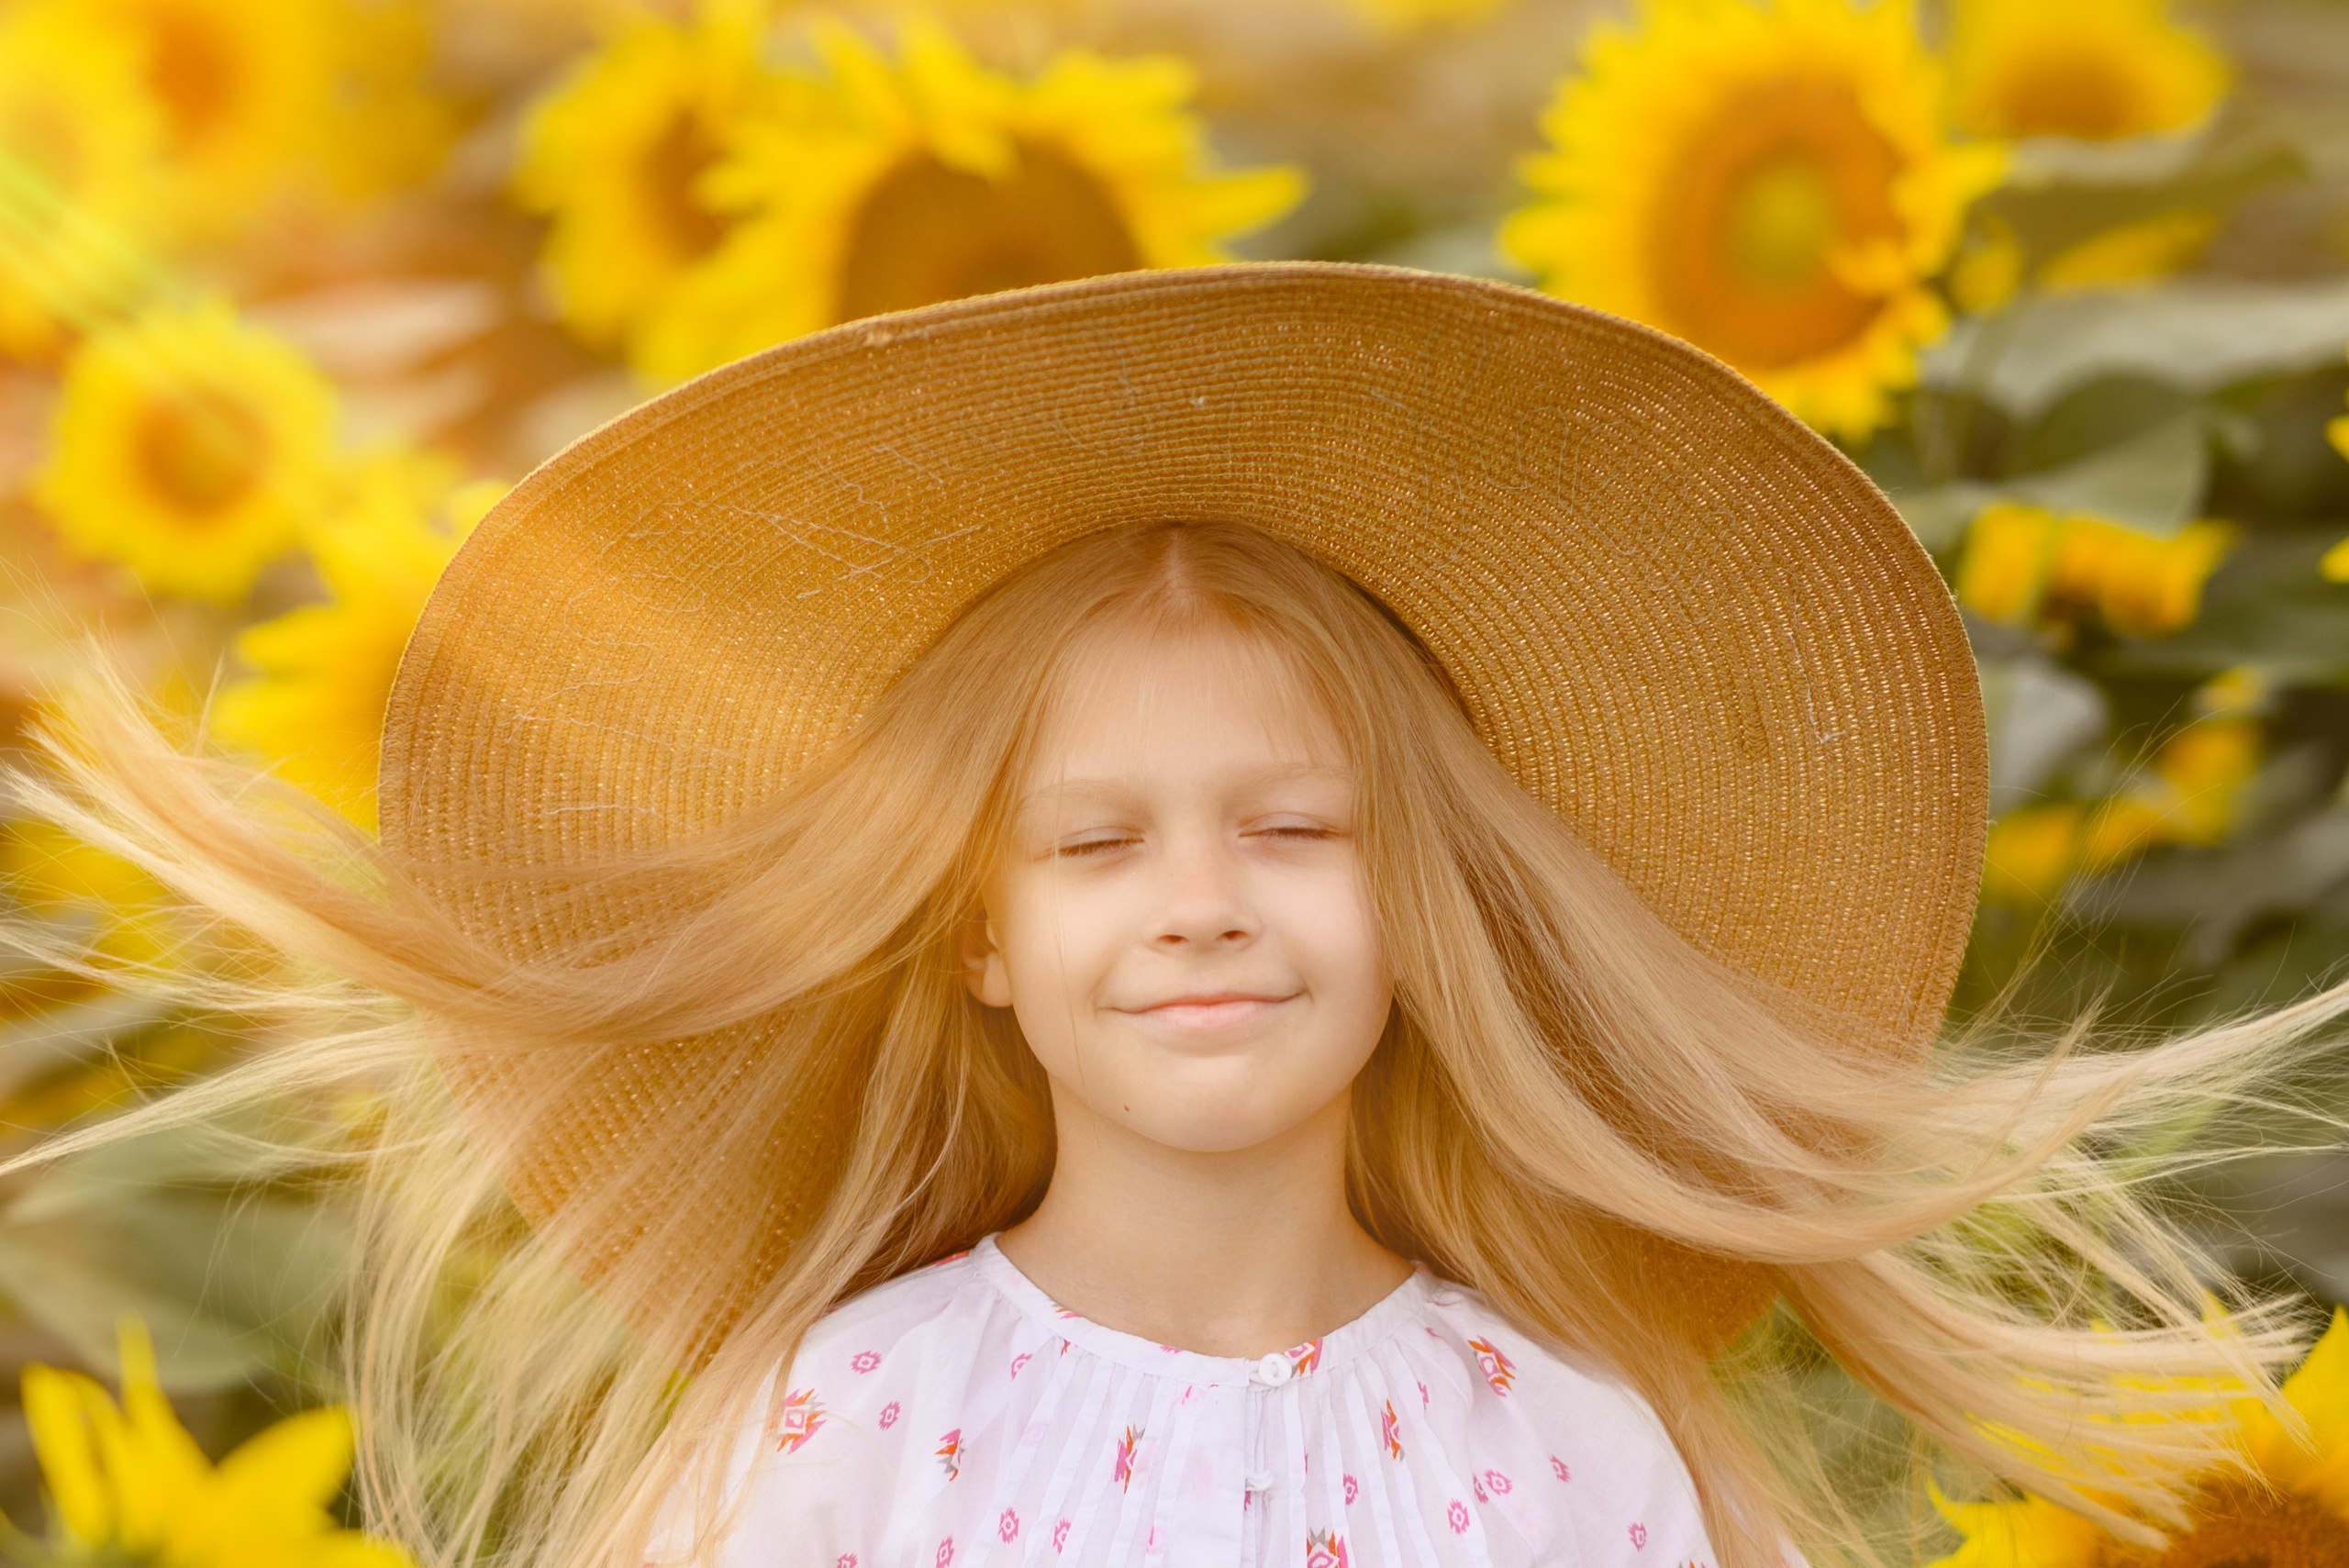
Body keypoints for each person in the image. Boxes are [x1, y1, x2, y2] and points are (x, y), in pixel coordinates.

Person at [15, 264, 2343, 1568]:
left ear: (1418, 905)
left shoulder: (1571, 1446)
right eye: (1097, 843)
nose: (1204, 907)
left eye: (1298, 830)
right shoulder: (842, 1429)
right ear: (978, 938)